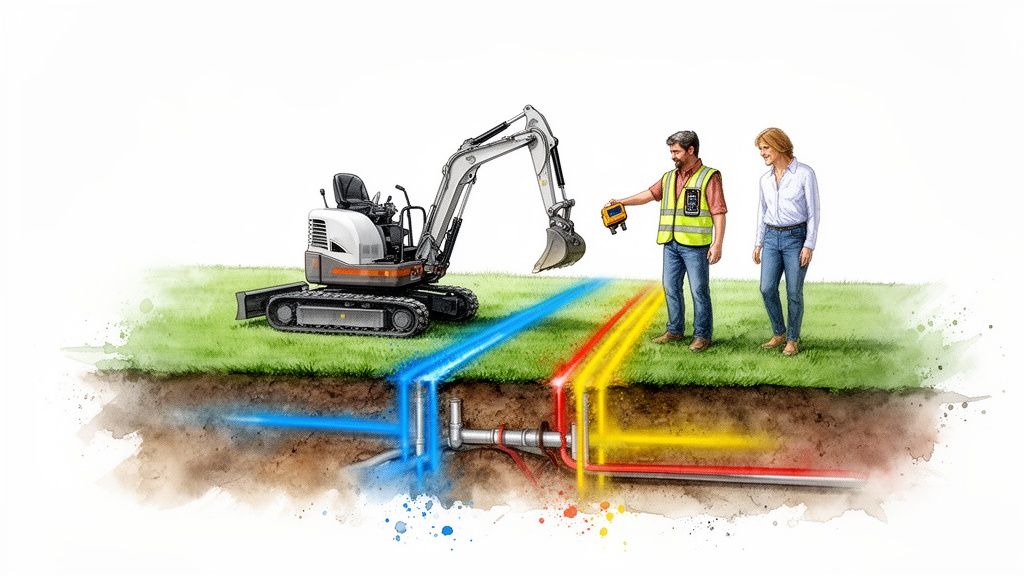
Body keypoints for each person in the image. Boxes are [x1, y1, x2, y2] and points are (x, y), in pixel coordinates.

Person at [607, 131, 727, 352]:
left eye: (676, 151)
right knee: (671, 287)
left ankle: (702, 335)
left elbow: (718, 212)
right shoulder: (669, 177)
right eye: (671, 151)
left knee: (699, 290)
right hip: (670, 244)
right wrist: (622, 202)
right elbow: (649, 195)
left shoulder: (709, 176)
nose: (673, 156)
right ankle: (675, 330)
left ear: (691, 150)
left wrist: (717, 243)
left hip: (695, 245)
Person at [752, 127, 820, 356]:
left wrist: (808, 244)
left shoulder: (805, 174)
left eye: (765, 147)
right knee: (766, 288)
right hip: (771, 237)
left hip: (795, 238)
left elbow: (813, 213)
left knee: (793, 292)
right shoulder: (764, 180)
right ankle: (779, 332)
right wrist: (758, 243)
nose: (762, 153)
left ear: (780, 145)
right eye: (760, 149)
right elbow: (762, 212)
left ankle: (792, 339)